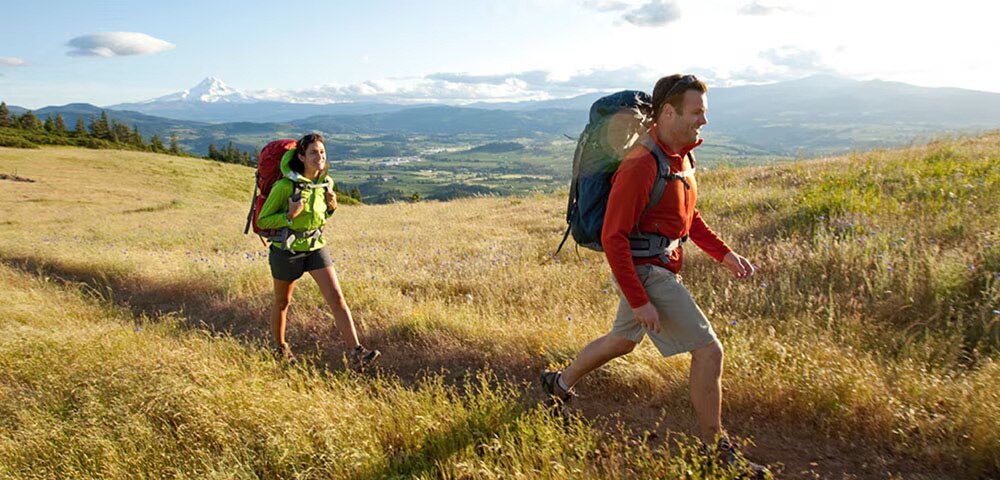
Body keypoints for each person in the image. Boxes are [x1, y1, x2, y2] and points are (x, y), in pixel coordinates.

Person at [541, 75, 769, 476]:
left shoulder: (681, 158)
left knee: (622, 341)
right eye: (696, 112)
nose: (703, 121)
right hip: (645, 271)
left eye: (704, 112)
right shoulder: (641, 164)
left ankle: (558, 384)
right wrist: (641, 297)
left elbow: (687, 217)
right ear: (668, 112)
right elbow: (613, 237)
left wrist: (724, 254)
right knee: (709, 350)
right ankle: (716, 450)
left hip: (656, 267)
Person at [257, 132, 379, 365]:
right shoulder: (285, 186)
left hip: (315, 247)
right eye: (313, 152)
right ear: (301, 156)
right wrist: (289, 216)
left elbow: (319, 216)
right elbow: (264, 220)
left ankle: (357, 352)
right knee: (282, 302)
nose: (319, 156)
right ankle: (280, 348)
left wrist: (332, 207)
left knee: (337, 299)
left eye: (322, 152)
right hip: (287, 251)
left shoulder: (326, 183)